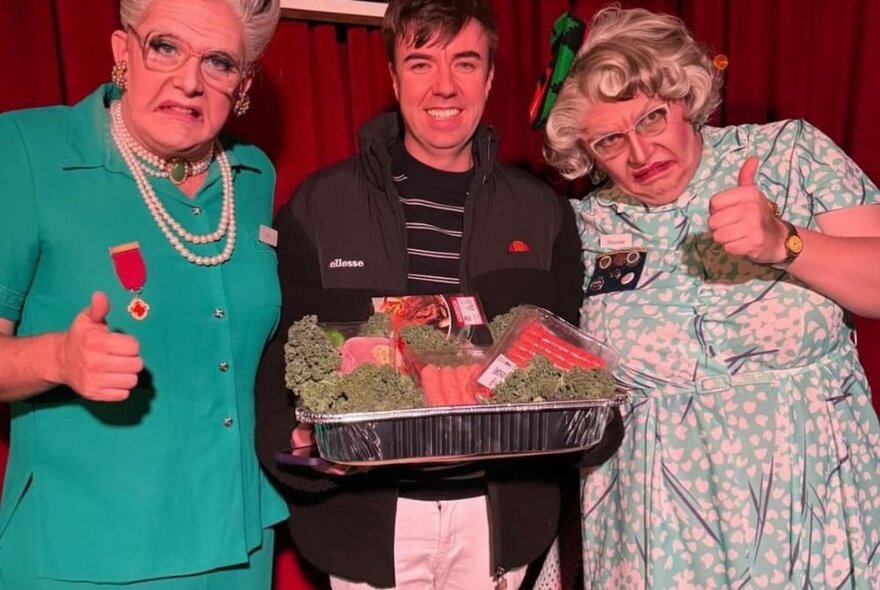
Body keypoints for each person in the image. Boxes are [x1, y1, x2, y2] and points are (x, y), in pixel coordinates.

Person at [255, 1, 621, 589]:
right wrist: (306, 455)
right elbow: (279, 374)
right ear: (394, 76)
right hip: (366, 527)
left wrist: (587, 423)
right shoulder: (320, 206)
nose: (444, 86)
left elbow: (568, 357)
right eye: (421, 63)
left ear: (490, 76)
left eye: (466, 62)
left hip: (501, 525)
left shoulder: (543, 211)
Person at [542, 6, 880, 588]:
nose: (640, 154)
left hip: (815, 501)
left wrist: (788, 244)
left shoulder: (789, 155)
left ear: (685, 97)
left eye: (652, 118)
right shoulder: (580, 226)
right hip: (656, 532)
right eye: (609, 140)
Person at [0, 0, 283, 587]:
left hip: (240, 550)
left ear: (243, 84)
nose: (189, 81)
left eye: (219, 62)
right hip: (85, 556)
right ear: (122, 50)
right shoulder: (25, 151)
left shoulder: (252, 177)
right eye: (165, 46)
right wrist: (55, 357)